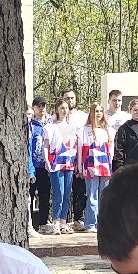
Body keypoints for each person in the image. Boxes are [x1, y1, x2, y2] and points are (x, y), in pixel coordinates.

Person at [42, 99, 80, 234]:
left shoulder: (73, 127)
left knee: (67, 194)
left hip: (69, 163)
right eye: (62, 108)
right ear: (57, 109)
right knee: (59, 192)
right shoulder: (50, 126)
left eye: (66, 108)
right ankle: (56, 221)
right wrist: (46, 161)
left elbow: (77, 145)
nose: (64, 110)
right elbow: (45, 145)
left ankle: (63, 221)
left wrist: (78, 163)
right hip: (55, 163)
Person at [79, 105, 115, 231]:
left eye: (101, 111)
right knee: (92, 195)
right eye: (96, 111)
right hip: (90, 165)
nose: (98, 113)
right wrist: (81, 167)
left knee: (104, 196)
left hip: (104, 165)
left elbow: (111, 150)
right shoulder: (85, 129)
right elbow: (81, 149)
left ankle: (103, 223)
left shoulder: (108, 129)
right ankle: (90, 223)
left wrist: (110, 165)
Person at [63, 88, 88, 227]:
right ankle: (63, 220)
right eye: (67, 98)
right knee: (65, 191)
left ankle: (79, 219)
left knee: (80, 191)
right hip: (64, 160)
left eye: (72, 98)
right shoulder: (57, 116)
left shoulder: (83, 116)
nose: (70, 100)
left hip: (80, 159)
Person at [28, 97, 50, 233]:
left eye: (43, 105)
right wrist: (30, 169)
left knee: (45, 195)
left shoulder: (50, 123)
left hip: (46, 166)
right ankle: (29, 224)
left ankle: (43, 223)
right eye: (38, 106)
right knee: (30, 195)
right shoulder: (30, 125)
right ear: (34, 108)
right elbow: (29, 147)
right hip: (34, 165)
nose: (41, 108)